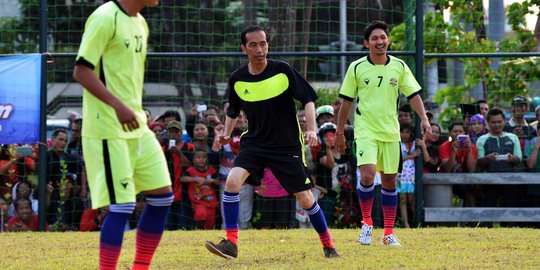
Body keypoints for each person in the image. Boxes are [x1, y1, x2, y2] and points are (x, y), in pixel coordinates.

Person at [205, 25, 338, 259]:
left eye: (263, 43)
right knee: (233, 182)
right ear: (244, 48)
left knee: (305, 197)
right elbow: (233, 111)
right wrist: (225, 133)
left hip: (286, 145)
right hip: (254, 143)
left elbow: (307, 99)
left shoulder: (283, 71)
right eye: (254, 45)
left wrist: (311, 128)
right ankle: (231, 244)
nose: (260, 49)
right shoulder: (238, 79)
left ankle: (328, 245)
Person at [72, 1, 173, 269]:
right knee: (121, 206)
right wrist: (118, 107)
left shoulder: (140, 22)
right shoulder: (104, 17)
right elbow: (81, 71)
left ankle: (140, 267)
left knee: (163, 197)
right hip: (107, 128)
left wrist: (133, 111)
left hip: (137, 126)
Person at [335, 20, 431, 246]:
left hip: (390, 133)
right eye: (375, 38)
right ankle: (367, 224)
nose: (380, 41)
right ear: (366, 43)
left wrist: (424, 118)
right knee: (367, 175)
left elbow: (414, 95)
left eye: (383, 37)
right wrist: (340, 132)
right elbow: (345, 103)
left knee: (389, 181)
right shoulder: (357, 67)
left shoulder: (399, 66)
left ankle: (388, 233)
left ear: (388, 40)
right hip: (365, 130)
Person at [182, 149, 219, 230]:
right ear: (193, 160)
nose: (201, 159)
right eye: (198, 157)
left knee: (210, 223)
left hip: (211, 201)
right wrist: (194, 179)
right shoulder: (191, 170)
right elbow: (183, 178)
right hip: (198, 200)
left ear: (207, 160)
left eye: (204, 157)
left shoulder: (212, 170)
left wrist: (213, 181)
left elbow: (218, 182)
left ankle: (207, 235)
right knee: (201, 214)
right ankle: (199, 230)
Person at [396, 124, 419, 228]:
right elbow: (396, 159)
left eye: (407, 132)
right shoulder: (397, 144)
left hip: (413, 174)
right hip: (401, 174)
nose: (404, 135)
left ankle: (416, 220)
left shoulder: (416, 143)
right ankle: (406, 224)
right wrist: (411, 156)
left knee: (412, 198)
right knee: (403, 199)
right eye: (402, 132)